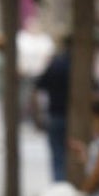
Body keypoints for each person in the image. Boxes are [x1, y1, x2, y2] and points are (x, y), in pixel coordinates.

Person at [31, 36, 72, 183]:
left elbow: (39, 85)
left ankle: (59, 188)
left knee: (58, 156)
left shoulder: (57, 64)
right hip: (69, 117)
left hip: (56, 114)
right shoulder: (80, 66)